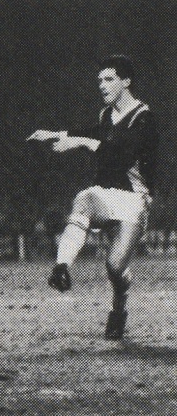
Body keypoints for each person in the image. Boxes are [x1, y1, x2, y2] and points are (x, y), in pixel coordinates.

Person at [27, 55, 159, 341]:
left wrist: (79, 143)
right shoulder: (106, 115)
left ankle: (118, 309)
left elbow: (121, 156)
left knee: (115, 268)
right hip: (105, 194)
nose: (101, 84)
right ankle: (62, 267)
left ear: (126, 81)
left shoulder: (144, 118)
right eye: (99, 79)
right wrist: (56, 133)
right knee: (84, 197)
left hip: (135, 200)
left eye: (108, 79)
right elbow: (91, 132)